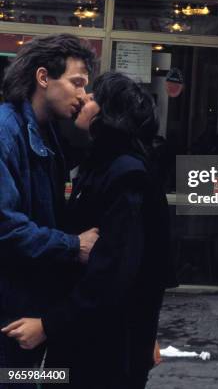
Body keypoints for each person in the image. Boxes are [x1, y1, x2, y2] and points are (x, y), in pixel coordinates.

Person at [3, 72, 172, 389]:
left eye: (94, 96)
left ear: (110, 114)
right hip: (91, 341)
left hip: (101, 353)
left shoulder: (127, 174)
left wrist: (47, 326)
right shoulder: (104, 164)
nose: (84, 99)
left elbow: (114, 273)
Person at [0, 34, 99, 383]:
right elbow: (5, 226)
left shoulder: (47, 133)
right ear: (43, 78)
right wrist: (74, 246)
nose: (83, 95)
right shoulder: (5, 132)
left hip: (28, 301)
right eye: (77, 83)